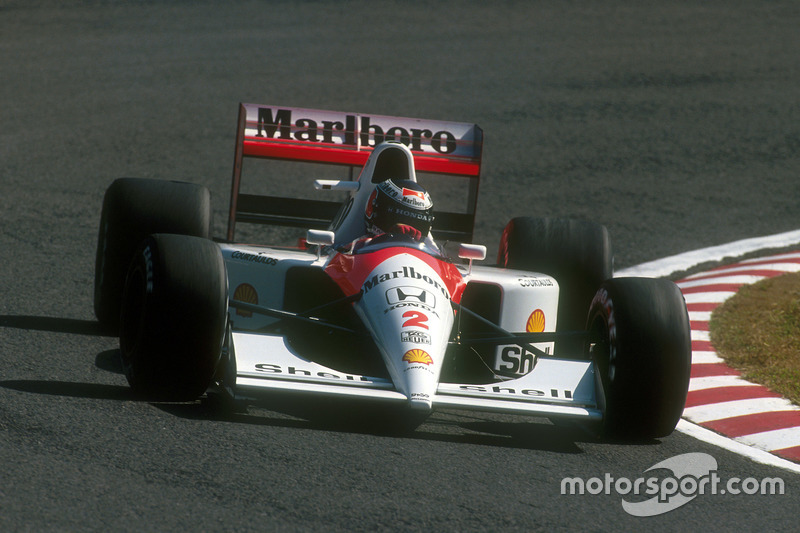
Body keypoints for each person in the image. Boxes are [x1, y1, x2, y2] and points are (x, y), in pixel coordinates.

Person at [340, 179, 434, 253]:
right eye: (397, 219)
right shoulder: (356, 249)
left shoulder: (433, 254)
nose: (406, 232)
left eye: (417, 224)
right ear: (371, 211)